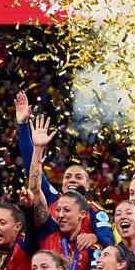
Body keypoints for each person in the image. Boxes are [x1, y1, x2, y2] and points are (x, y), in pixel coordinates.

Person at [13, 92, 113, 240]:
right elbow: (32, 168)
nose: (72, 180)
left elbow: (108, 241)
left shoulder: (95, 211)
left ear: (88, 184)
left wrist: (95, 237)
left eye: (79, 177)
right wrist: (22, 126)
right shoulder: (52, 198)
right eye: (68, 177)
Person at [26, 116, 98, 270]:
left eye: (66, 210)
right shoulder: (48, 230)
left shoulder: (92, 248)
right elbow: (35, 190)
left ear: (82, 214)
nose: (60, 215)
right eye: (58, 210)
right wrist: (37, 150)